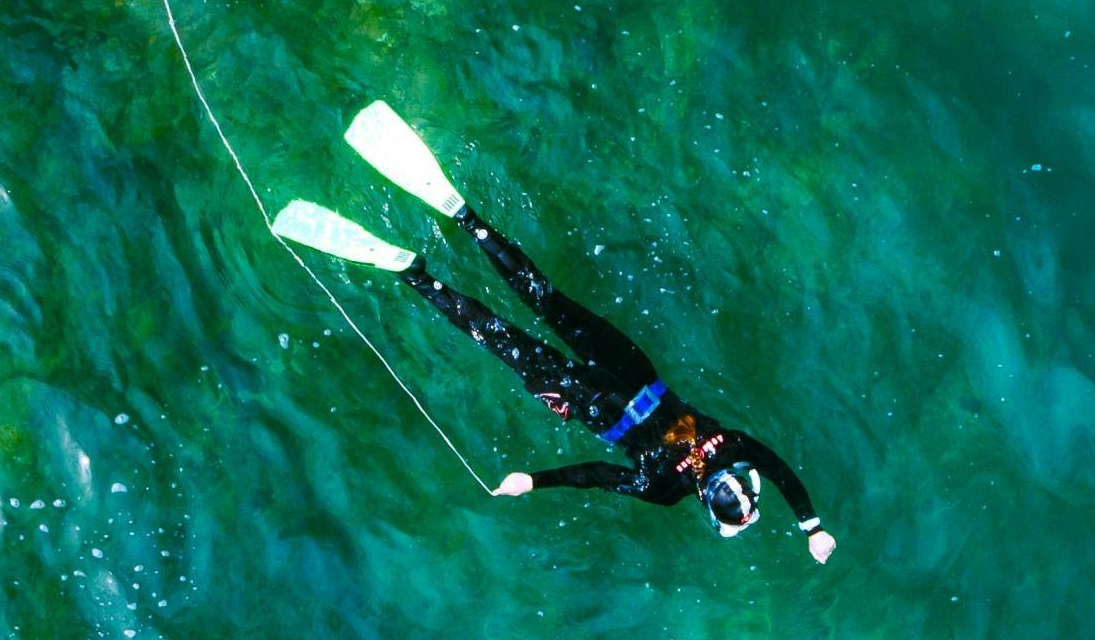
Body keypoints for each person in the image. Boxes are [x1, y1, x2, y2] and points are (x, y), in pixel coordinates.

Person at [334, 206, 834, 559]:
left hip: (614, 386)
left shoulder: (697, 469)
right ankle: (440, 249)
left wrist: (811, 527)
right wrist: (811, 528)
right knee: (524, 321)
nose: (735, 487)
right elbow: (598, 474)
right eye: (739, 501)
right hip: (612, 389)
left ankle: (442, 245)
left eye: (733, 501)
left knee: (525, 318)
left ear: (723, 496)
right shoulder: (698, 469)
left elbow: (598, 475)